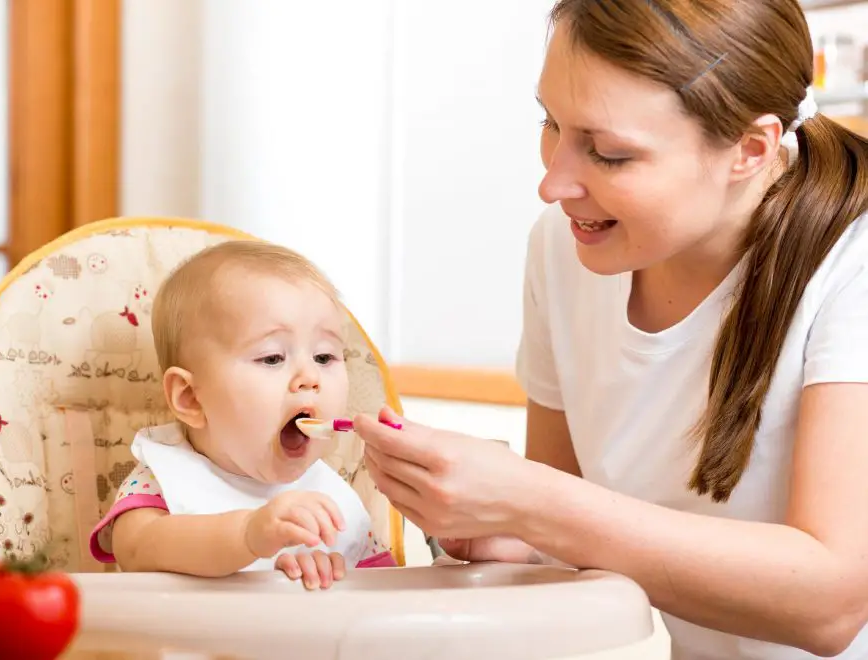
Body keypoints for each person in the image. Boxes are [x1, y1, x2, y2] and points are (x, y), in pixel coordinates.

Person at [354, 0, 868, 657]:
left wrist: (530, 503)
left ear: (752, 147)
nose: (552, 184)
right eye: (551, 122)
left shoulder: (852, 264)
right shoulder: (565, 250)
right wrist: (496, 528)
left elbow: (831, 604)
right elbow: (565, 541)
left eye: (610, 154)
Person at [88, 240, 395, 590]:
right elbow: (137, 548)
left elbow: (382, 602)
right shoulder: (164, 479)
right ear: (191, 398)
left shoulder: (334, 496)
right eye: (272, 358)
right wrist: (248, 535)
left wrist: (335, 578)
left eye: (324, 357)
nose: (310, 379)